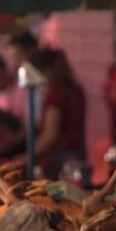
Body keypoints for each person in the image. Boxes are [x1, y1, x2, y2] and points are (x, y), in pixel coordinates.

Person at [28, 49, 87, 179]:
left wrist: (28, 156)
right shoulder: (76, 91)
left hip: (58, 160)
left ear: (46, 72)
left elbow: (50, 136)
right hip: (77, 155)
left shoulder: (55, 95)